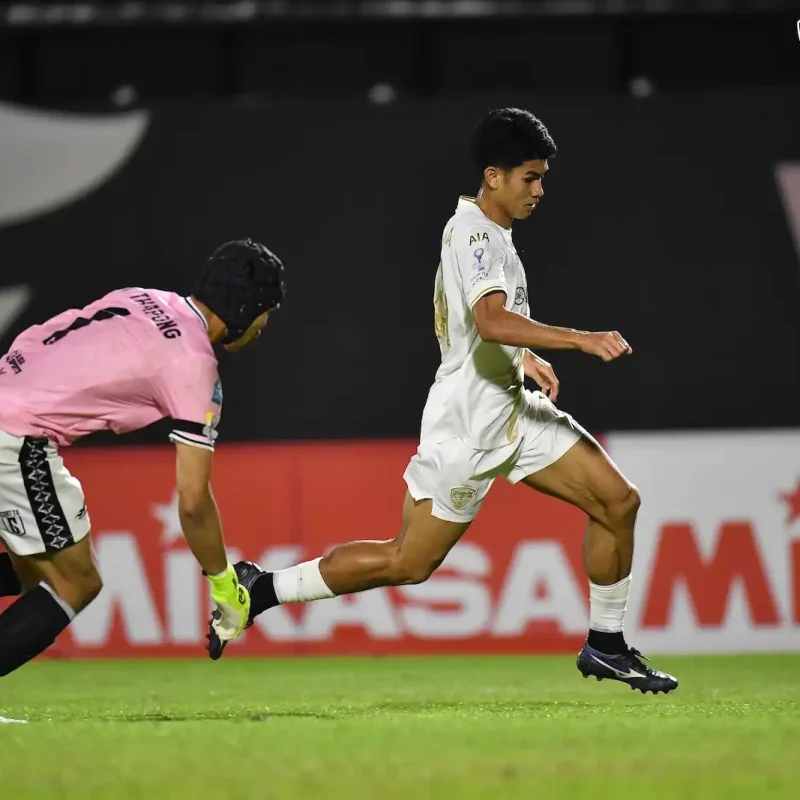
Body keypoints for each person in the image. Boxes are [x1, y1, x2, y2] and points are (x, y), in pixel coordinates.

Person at [208, 109, 677, 695]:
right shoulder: (478, 233)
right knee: (409, 562)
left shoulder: (487, 231)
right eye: (529, 177)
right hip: (467, 426)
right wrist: (579, 339)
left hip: (510, 406)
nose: (539, 189)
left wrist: (521, 358)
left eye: (542, 177)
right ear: (494, 175)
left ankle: (606, 645)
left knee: (618, 502)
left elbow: (474, 326)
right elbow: (489, 317)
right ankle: (263, 589)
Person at [0, 238, 285, 696]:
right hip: (16, 437)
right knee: (76, 584)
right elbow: (192, 502)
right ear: (246, 307)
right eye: (266, 311)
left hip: (7, 406)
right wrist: (224, 583)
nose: (265, 325)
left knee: (36, 575)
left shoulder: (144, 297)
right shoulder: (193, 364)